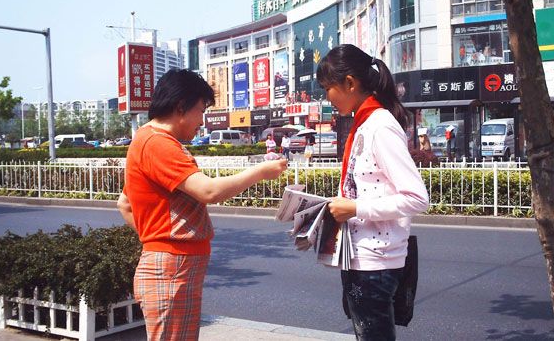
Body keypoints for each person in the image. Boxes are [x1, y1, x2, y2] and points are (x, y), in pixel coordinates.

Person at [116, 70, 287, 341]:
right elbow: (208, 191)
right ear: (180, 107)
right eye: (200, 110)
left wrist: (155, 241)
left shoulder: (146, 139)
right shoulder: (158, 143)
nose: (202, 121)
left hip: (169, 265)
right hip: (171, 268)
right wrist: (261, 172)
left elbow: (125, 203)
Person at [316, 44, 429, 340]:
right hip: (361, 257)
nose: (327, 98)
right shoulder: (365, 124)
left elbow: (417, 197)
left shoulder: (380, 126)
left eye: (328, 88)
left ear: (350, 83)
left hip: (376, 263)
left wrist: (355, 209)